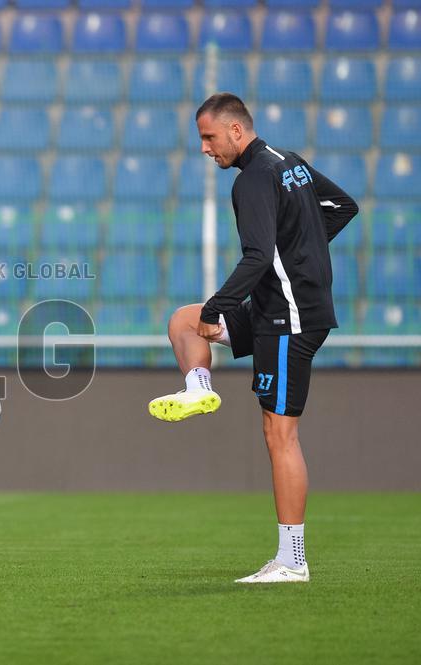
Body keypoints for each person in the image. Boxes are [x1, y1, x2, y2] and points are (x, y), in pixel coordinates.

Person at [148, 93, 359, 583]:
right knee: (183, 320)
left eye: (208, 137)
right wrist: (300, 248)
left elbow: (258, 256)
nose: (205, 148)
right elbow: (343, 207)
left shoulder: (253, 179)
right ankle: (199, 388)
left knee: (278, 433)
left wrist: (223, 305)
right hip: (273, 305)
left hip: (291, 317)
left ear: (236, 131)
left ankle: (292, 561)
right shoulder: (290, 162)